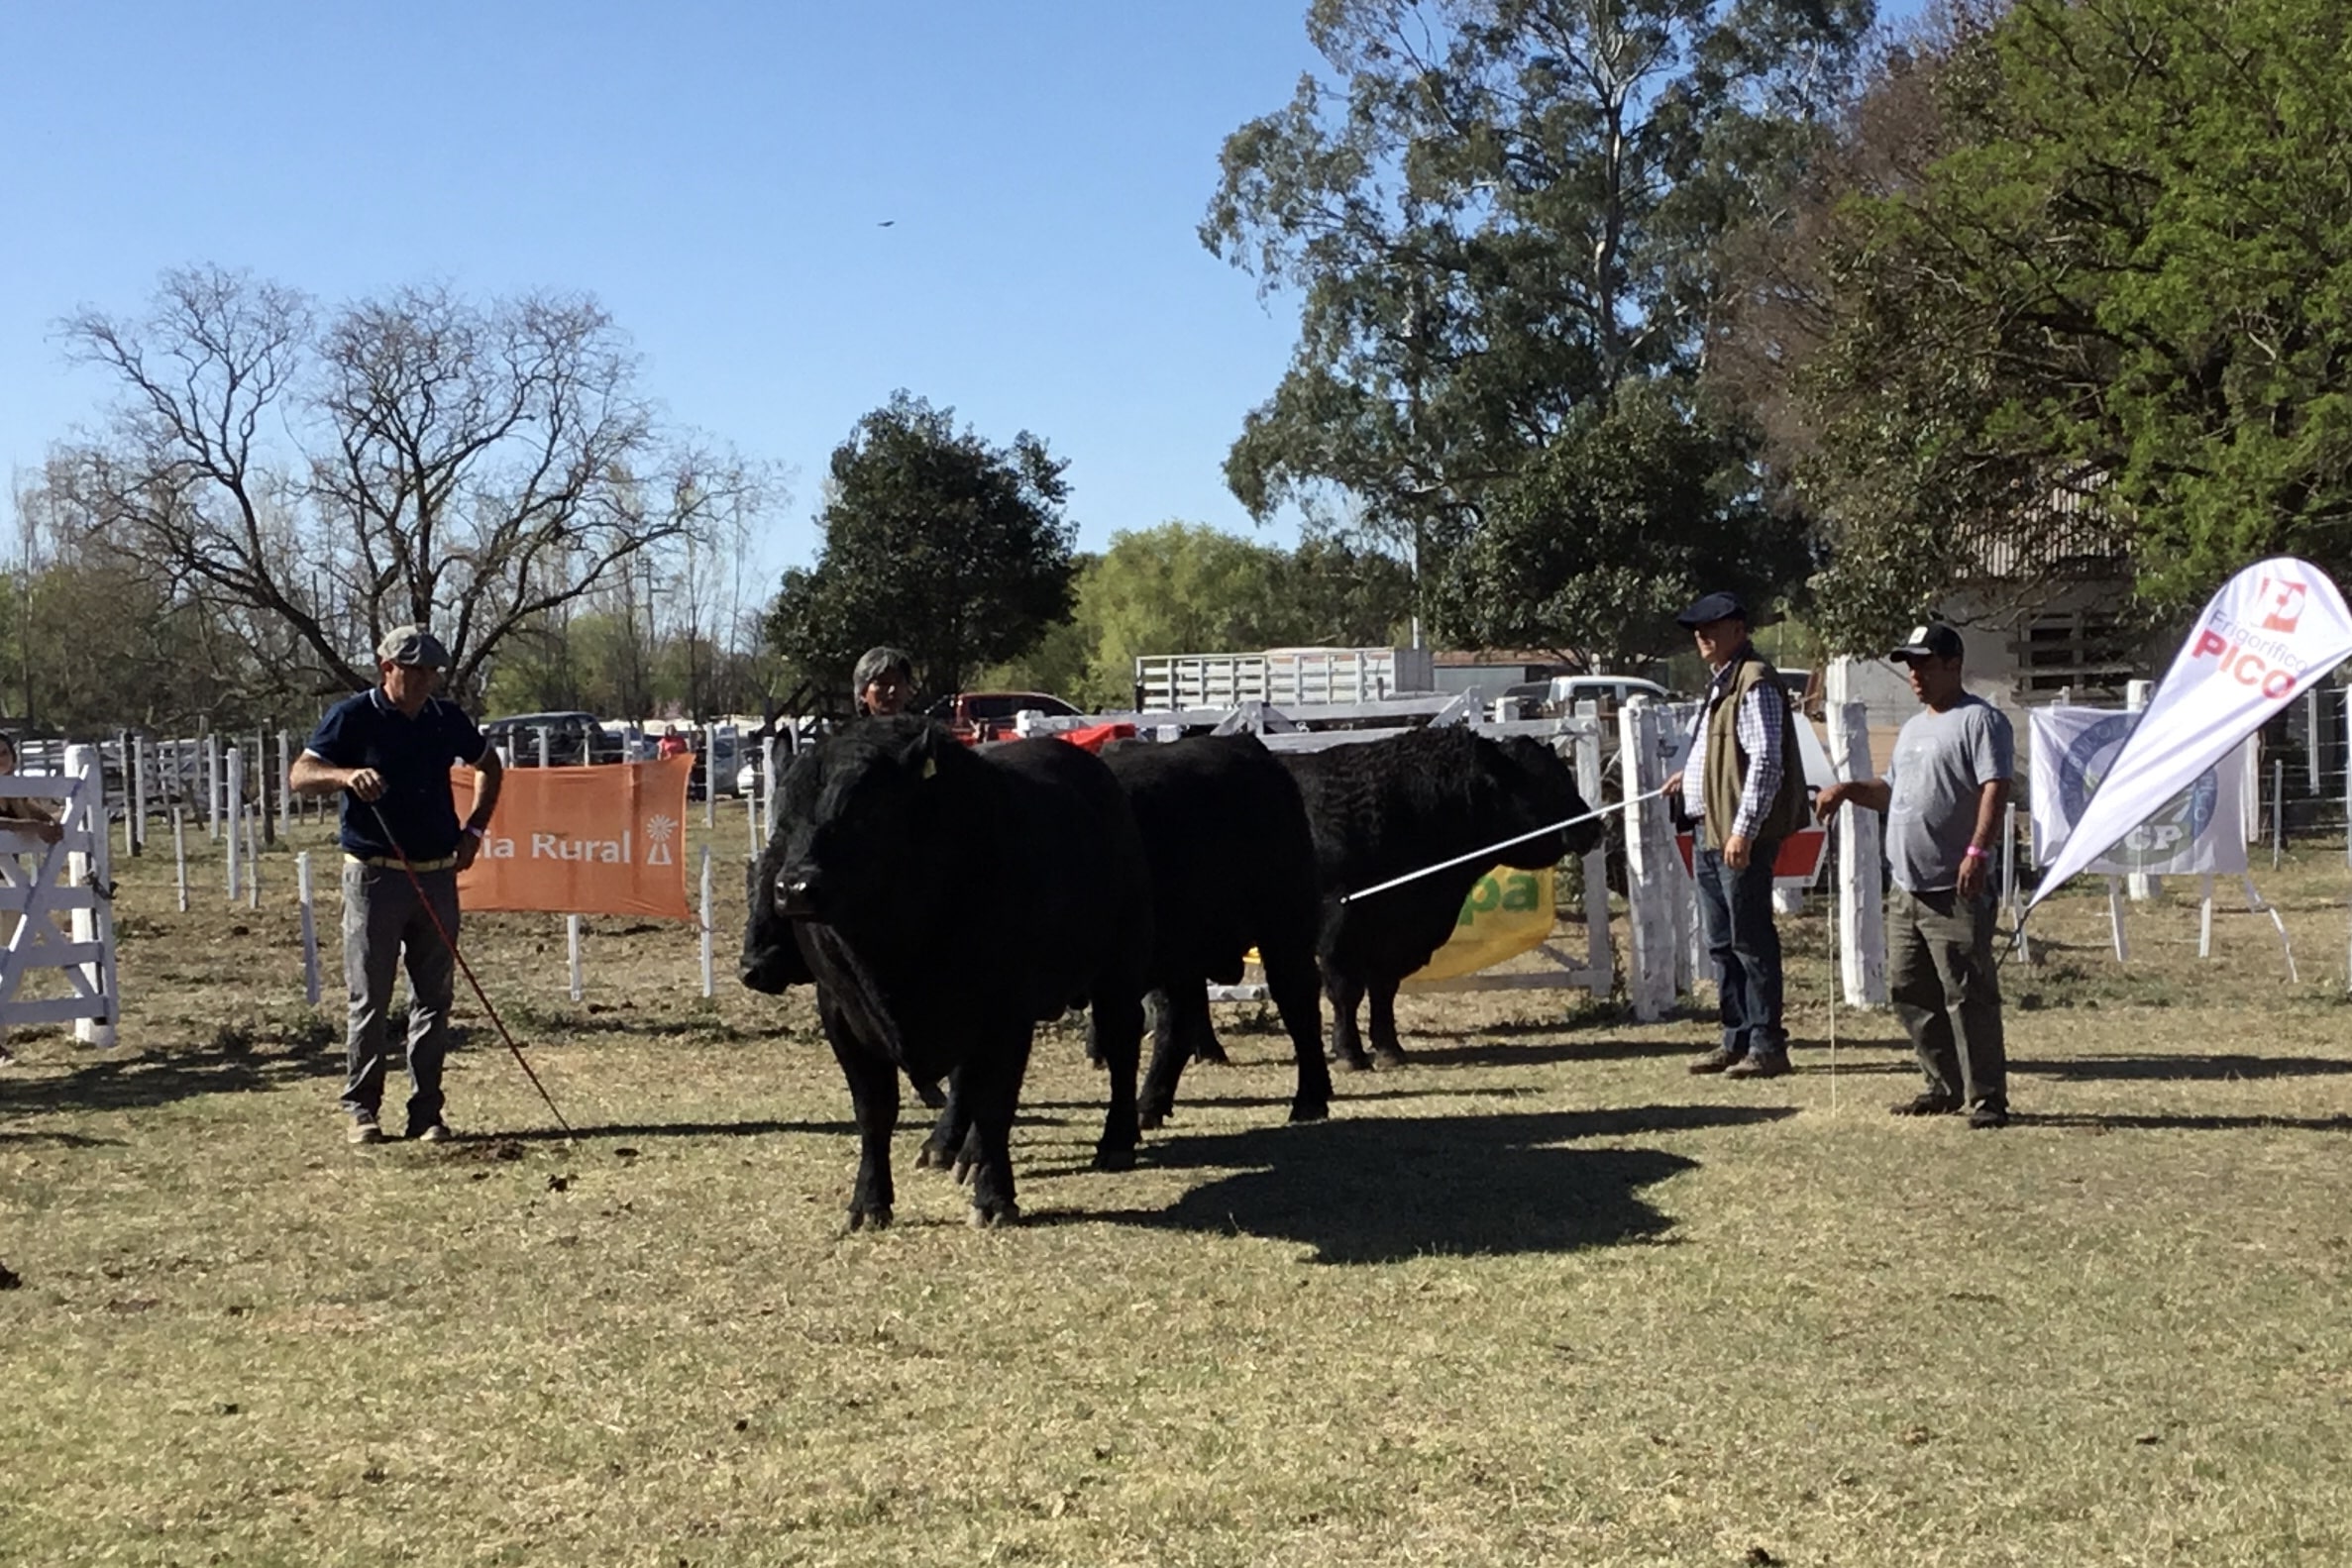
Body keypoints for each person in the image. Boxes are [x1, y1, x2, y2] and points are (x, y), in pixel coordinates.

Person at [289, 626, 504, 1147]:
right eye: (415, 671)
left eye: (432, 671)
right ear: (386, 668)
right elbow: (301, 774)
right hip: (374, 874)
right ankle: (362, 1110)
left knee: (434, 999)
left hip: (436, 876)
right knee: (371, 997)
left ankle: (426, 1112)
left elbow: (489, 767)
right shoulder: (352, 716)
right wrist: (346, 777)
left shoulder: (444, 719)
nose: (425, 680)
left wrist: (474, 830)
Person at [1814, 623, 2014, 1128]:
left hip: (1955, 884)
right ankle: (1943, 1084)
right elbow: (1891, 791)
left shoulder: (1980, 721)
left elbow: (1995, 787)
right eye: (1910, 665)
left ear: (1953, 664)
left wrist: (1977, 850)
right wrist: (1848, 790)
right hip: (1906, 885)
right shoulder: (1912, 730)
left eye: (1924, 663)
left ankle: (1986, 1096)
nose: (1914, 674)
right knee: (1908, 988)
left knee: (1967, 993)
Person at [1661, 590, 1809, 1080]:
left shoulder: (1754, 681)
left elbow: (1766, 761)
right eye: (1697, 630)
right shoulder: (1721, 682)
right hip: (1711, 828)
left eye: (1712, 627)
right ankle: (1736, 1039)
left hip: (1734, 833)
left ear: (1738, 630)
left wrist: (1744, 832)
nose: (1701, 637)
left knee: (1750, 939)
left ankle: (1767, 1044)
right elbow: (1723, 754)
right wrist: (1689, 778)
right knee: (1722, 942)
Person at [851, 646, 915, 717]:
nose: (892, 690)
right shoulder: (852, 728)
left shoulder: (922, 727)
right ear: (863, 692)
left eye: (899, 682)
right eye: (883, 683)